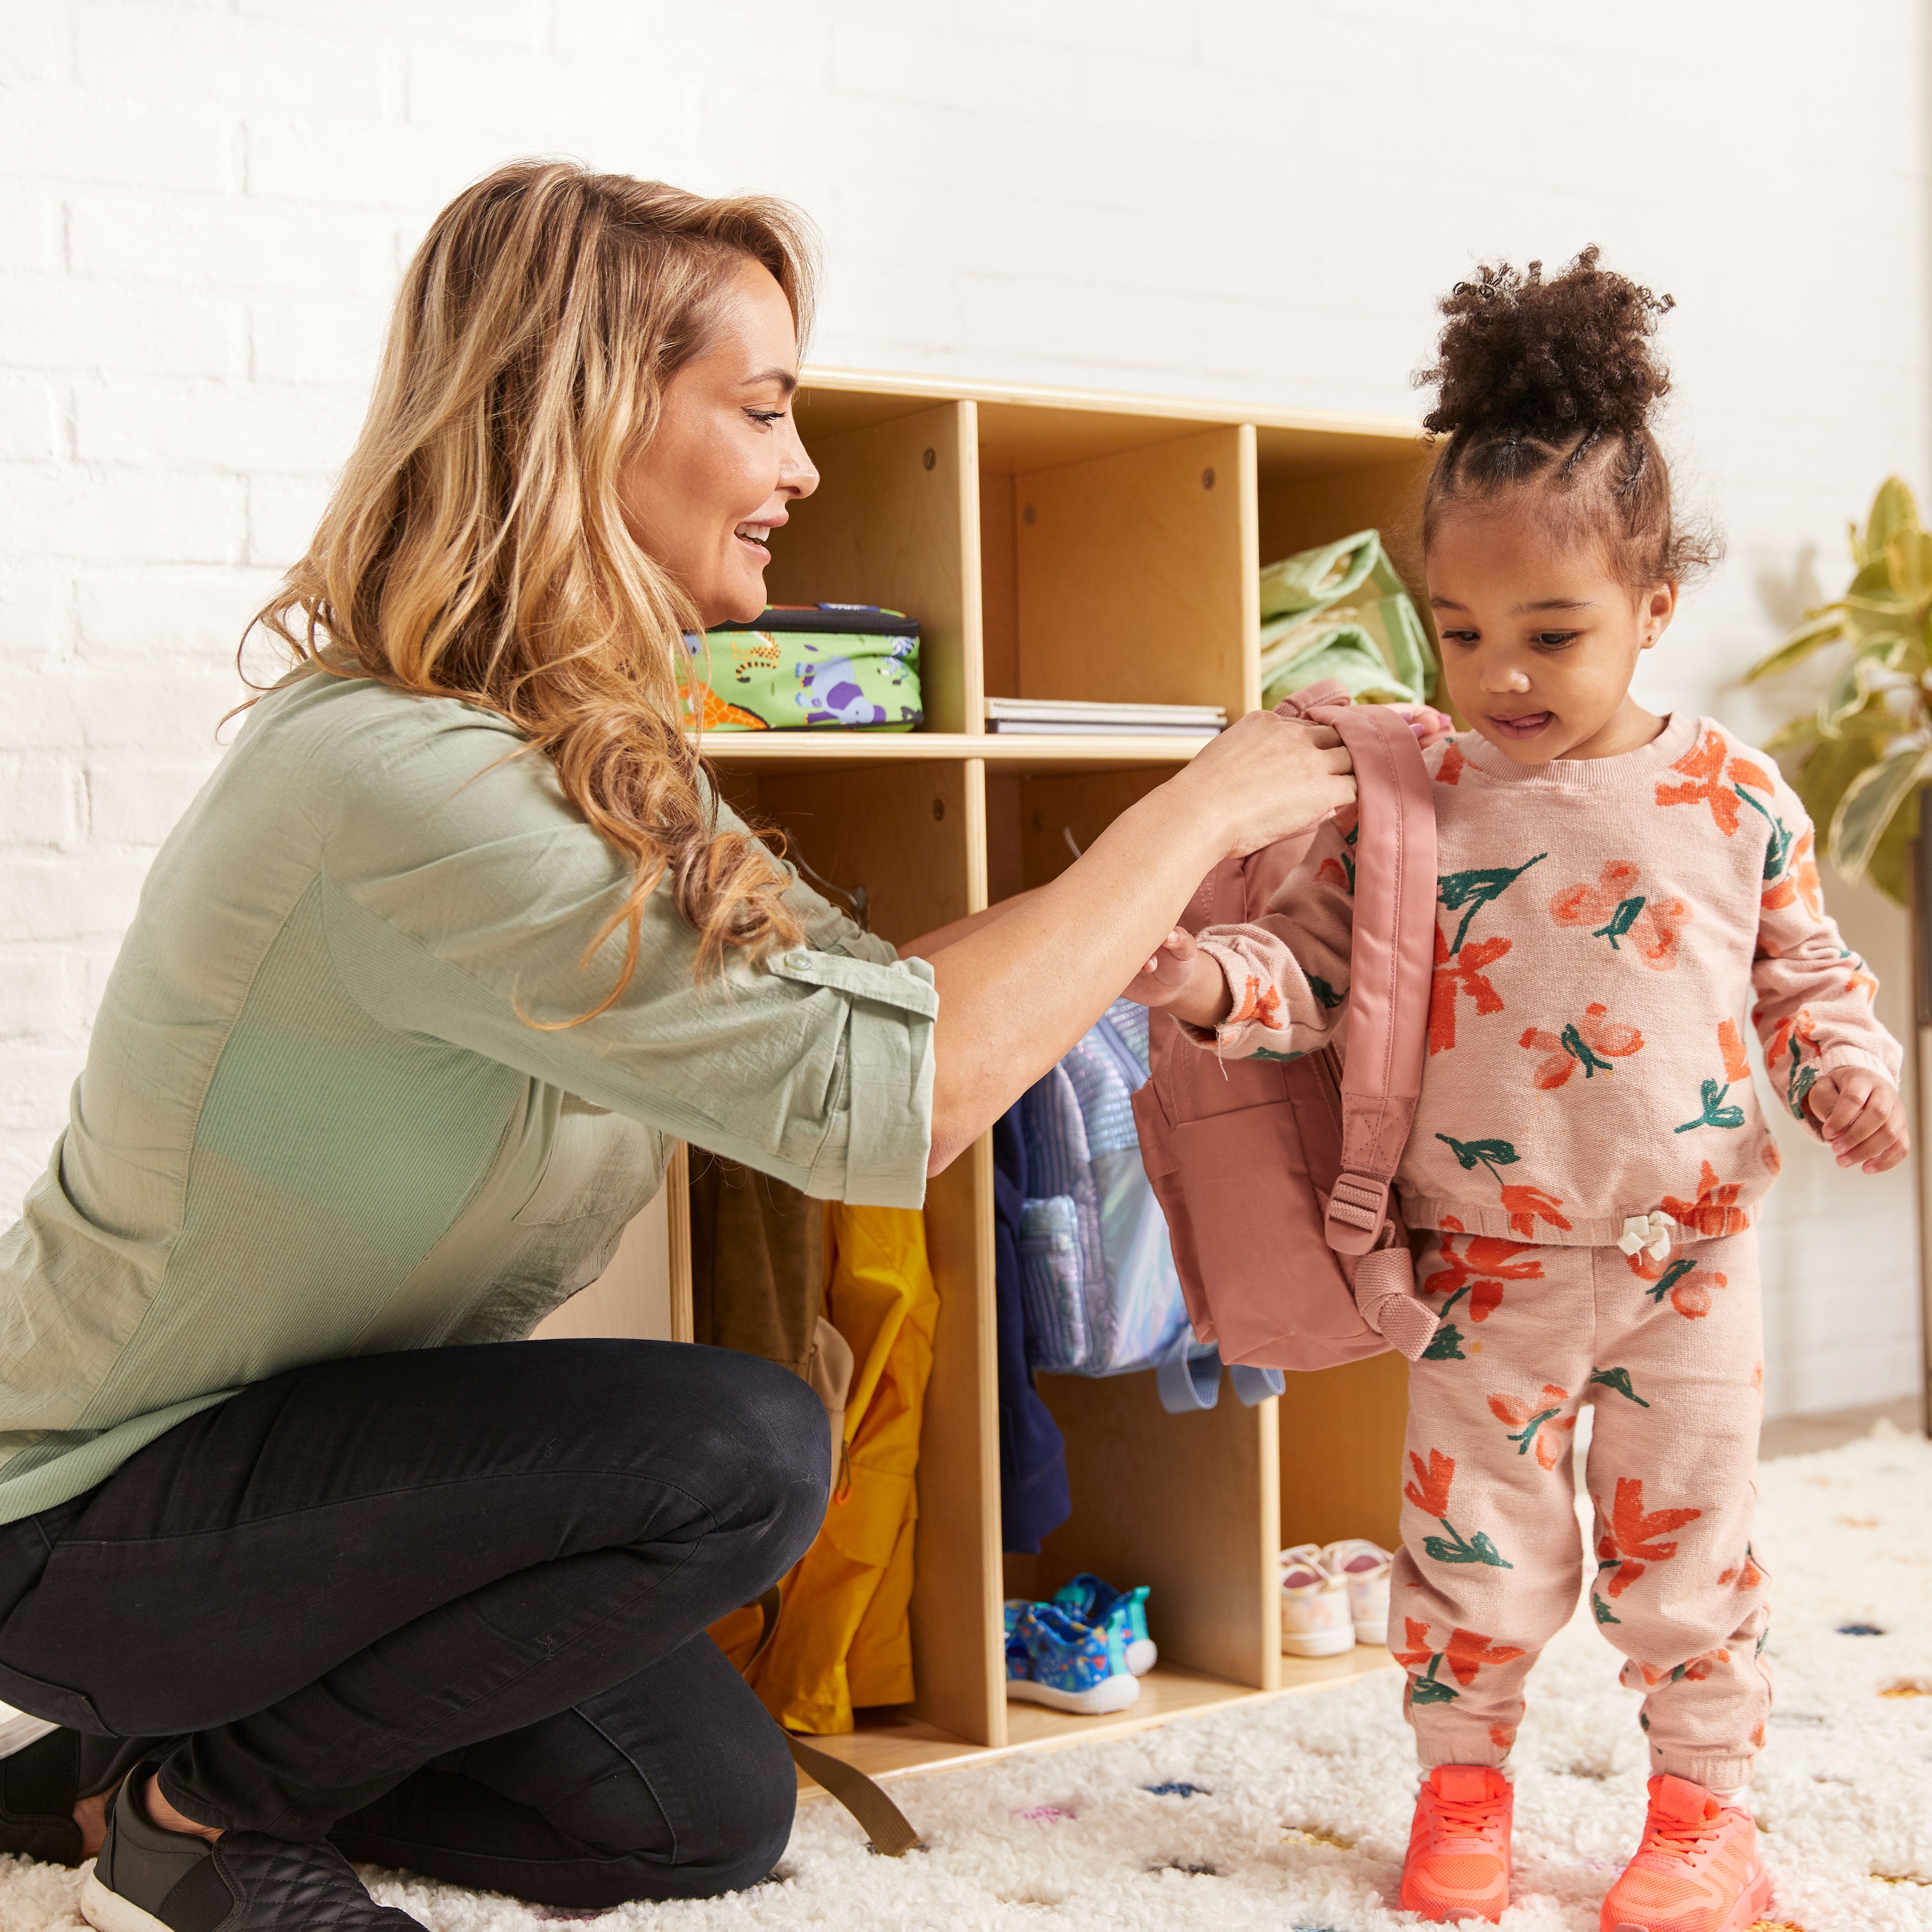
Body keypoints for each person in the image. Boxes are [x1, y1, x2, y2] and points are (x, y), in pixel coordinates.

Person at [0, 162, 1361, 1932]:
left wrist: (1131, 958)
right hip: (92, 1511)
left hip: (322, 1477)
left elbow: (874, 1002)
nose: (801, 471)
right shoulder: (410, 785)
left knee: (696, 1816)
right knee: (741, 1443)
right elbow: (907, 1097)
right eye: (767, 408)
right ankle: (201, 1804)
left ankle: (94, 1780)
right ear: (588, 415)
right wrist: (1195, 806)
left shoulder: (562, 756)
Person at [1124, 249, 1907, 1930]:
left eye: (1554, 634)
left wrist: (1845, 1068)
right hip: (1472, 1261)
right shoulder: (1402, 799)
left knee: (1688, 1560)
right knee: (1473, 1556)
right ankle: (1462, 1789)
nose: (1504, 676)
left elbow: (1807, 977)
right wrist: (1201, 980)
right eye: (1461, 633)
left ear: (1654, 610)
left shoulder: (1733, 795)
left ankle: (1707, 1815)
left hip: (1688, 1254)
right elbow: (1313, 981)